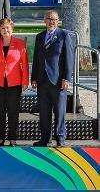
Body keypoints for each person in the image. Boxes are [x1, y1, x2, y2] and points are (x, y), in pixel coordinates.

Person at [31, 10, 74, 147]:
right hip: (42, 81)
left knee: (60, 111)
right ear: (45, 20)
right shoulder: (40, 36)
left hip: (58, 81)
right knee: (44, 112)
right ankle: (45, 138)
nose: (52, 21)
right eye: (49, 19)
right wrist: (33, 77)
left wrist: (66, 78)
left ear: (58, 21)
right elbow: (36, 58)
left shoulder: (64, 35)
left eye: (54, 19)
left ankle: (60, 137)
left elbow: (69, 58)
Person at [0, 18, 29, 146]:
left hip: (14, 83)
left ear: (12, 29)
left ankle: (12, 138)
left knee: (13, 112)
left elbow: (25, 64)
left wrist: (25, 81)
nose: (5, 30)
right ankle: (0, 138)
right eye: (3, 28)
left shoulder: (20, 43)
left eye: (7, 28)